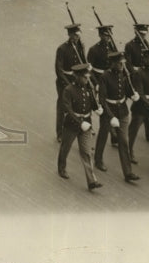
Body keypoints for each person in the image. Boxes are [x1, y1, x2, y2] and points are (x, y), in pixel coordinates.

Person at [58, 64, 103, 191]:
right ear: (77, 77)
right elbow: (67, 109)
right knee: (65, 147)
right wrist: (79, 122)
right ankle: (61, 168)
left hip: (86, 124)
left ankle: (91, 181)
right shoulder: (68, 90)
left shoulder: (89, 89)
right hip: (72, 124)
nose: (87, 80)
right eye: (84, 77)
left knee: (86, 152)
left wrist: (98, 109)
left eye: (88, 77)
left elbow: (93, 104)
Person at [96, 52, 139, 183]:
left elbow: (126, 89)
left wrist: (133, 94)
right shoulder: (105, 77)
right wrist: (110, 116)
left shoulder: (123, 74)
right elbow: (102, 100)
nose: (122, 65)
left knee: (124, 141)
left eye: (123, 63)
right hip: (110, 111)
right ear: (113, 63)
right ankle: (98, 159)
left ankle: (128, 172)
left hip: (123, 111)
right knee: (103, 135)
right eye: (120, 63)